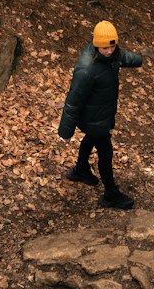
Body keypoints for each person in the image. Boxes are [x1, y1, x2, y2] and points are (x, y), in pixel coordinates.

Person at [58, 20, 142, 210]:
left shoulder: (109, 54)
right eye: (105, 47)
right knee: (106, 152)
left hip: (101, 114)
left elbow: (121, 56)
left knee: (91, 139)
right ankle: (110, 194)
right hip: (91, 117)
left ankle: (79, 170)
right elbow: (74, 99)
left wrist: (140, 59)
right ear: (96, 44)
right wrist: (65, 131)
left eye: (111, 46)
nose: (109, 51)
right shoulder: (87, 69)